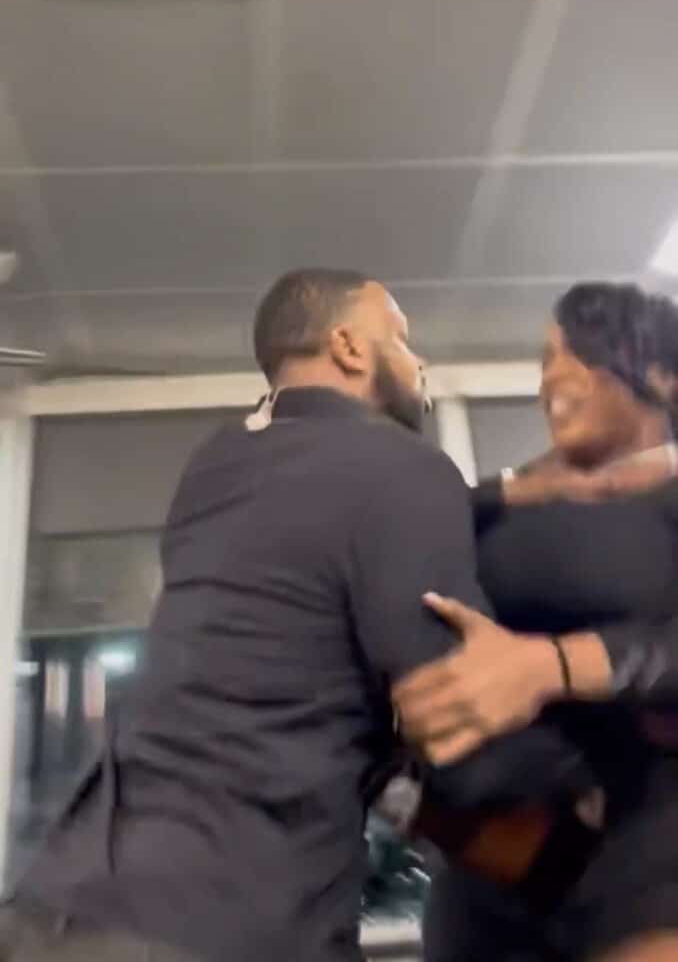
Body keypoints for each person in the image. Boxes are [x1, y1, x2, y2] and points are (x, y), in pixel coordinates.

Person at [1, 268, 498, 962]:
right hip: (227, 924)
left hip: (59, 911)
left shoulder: (217, 466)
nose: (419, 362)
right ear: (349, 346)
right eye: (401, 337)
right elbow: (457, 715)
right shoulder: (405, 467)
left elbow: (294, 681)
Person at [394, 282, 678, 962]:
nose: (552, 377)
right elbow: (398, 543)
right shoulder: (506, 506)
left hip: (649, 842)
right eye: (546, 360)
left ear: (662, 377)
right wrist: (516, 488)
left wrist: (550, 667)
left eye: (580, 354)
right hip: (498, 856)